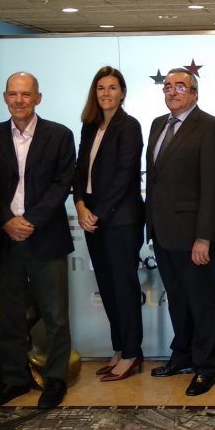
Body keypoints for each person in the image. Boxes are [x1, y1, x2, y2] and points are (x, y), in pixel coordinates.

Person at [0, 72, 77, 410]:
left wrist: (31, 221)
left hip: (46, 235)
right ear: (5, 98)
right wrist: (7, 221)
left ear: (38, 97)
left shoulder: (60, 135)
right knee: (10, 315)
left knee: (55, 315)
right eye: (13, 94)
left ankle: (55, 380)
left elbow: (63, 182)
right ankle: (14, 380)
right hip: (5, 238)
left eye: (26, 94)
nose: (19, 100)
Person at [145, 68, 215, 396]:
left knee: (202, 302)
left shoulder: (209, 127)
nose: (172, 92)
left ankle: (206, 367)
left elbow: (212, 185)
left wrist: (204, 236)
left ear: (194, 93)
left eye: (180, 87)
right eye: (167, 87)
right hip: (162, 230)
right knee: (178, 300)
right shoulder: (157, 125)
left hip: (193, 233)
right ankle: (182, 355)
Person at [74, 66, 145, 382]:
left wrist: (97, 212)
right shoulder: (89, 127)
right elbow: (80, 172)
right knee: (108, 288)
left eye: (112, 87)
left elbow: (124, 176)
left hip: (120, 220)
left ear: (122, 92)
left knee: (123, 288)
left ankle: (132, 353)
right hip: (92, 218)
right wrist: (79, 205)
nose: (106, 93)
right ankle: (119, 348)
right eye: (101, 88)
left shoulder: (129, 126)